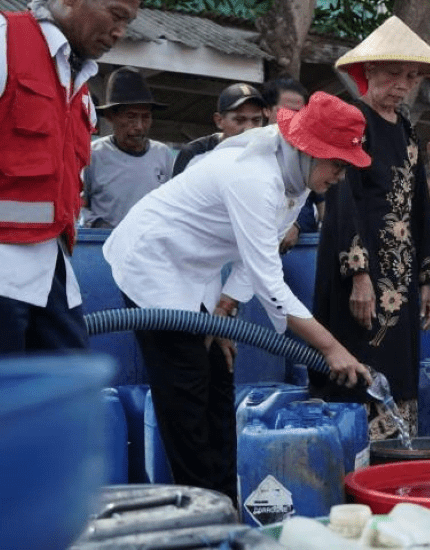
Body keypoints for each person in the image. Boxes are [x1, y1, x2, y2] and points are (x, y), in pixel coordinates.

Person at [103, 92, 374, 504]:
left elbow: (257, 255)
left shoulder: (295, 178)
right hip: (152, 264)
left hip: (198, 269)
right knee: (187, 396)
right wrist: (331, 348)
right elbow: (270, 284)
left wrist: (225, 309)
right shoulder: (255, 178)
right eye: (337, 163)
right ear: (307, 149)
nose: (340, 175)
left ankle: (228, 497)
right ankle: (202, 510)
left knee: (219, 380)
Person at [310, 15, 430, 440]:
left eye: (411, 76)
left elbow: (420, 205)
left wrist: (425, 278)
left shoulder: (406, 131)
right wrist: (360, 275)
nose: (403, 84)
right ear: (367, 71)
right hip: (360, 277)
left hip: (400, 278)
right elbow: (342, 197)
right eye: (393, 73)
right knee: (357, 359)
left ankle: (394, 454)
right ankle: (351, 452)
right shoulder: (353, 121)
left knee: (399, 363)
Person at [0, 0, 140, 354]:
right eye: (116, 14)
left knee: (67, 398)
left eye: (128, 21)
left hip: (52, 269)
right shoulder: (5, 41)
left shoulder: (79, 87)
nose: (120, 32)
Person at [83, 66, 171, 228]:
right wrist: (98, 223)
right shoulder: (92, 155)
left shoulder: (162, 154)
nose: (139, 126)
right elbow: (76, 205)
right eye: (130, 116)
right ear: (111, 117)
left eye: (145, 117)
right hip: (104, 244)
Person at [261, 77, 321, 254]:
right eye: (287, 111)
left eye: (300, 113)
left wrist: (297, 224)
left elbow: (324, 205)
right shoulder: (249, 151)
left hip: (300, 248)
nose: (294, 118)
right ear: (266, 110)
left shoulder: (310, 153)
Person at [171, 82, 267, 176]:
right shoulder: (194, 153)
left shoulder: (269, 153)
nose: (249, 127)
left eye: (256, 120)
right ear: (219, 121)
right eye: (240, 120)